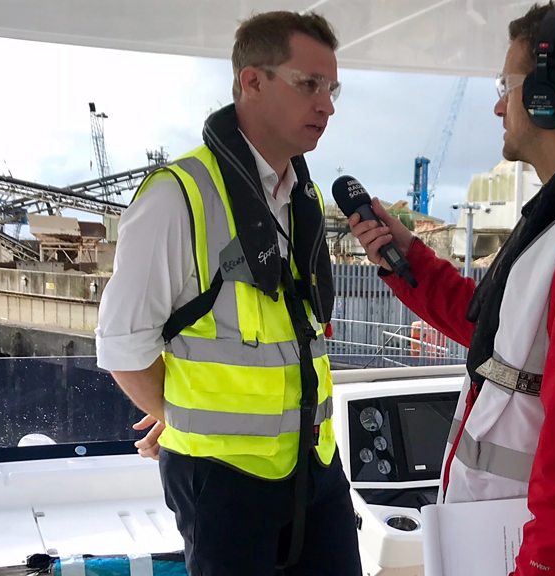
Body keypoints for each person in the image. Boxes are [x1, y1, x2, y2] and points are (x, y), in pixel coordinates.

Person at [348, 2, 555, 575]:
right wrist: (407, 261)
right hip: (500, 545)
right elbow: (496, 336)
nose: (499, 105)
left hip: (536, 558)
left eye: (508, 86)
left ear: (547, 96)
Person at [96, 10, 361, 576]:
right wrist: (183, 415)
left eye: (332, 89)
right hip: (224, 483)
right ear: (252, 82)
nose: (327, 105)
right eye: (309, 84)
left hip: (316, 464)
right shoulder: (176, 197)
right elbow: (123, 347)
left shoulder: (303, 198)